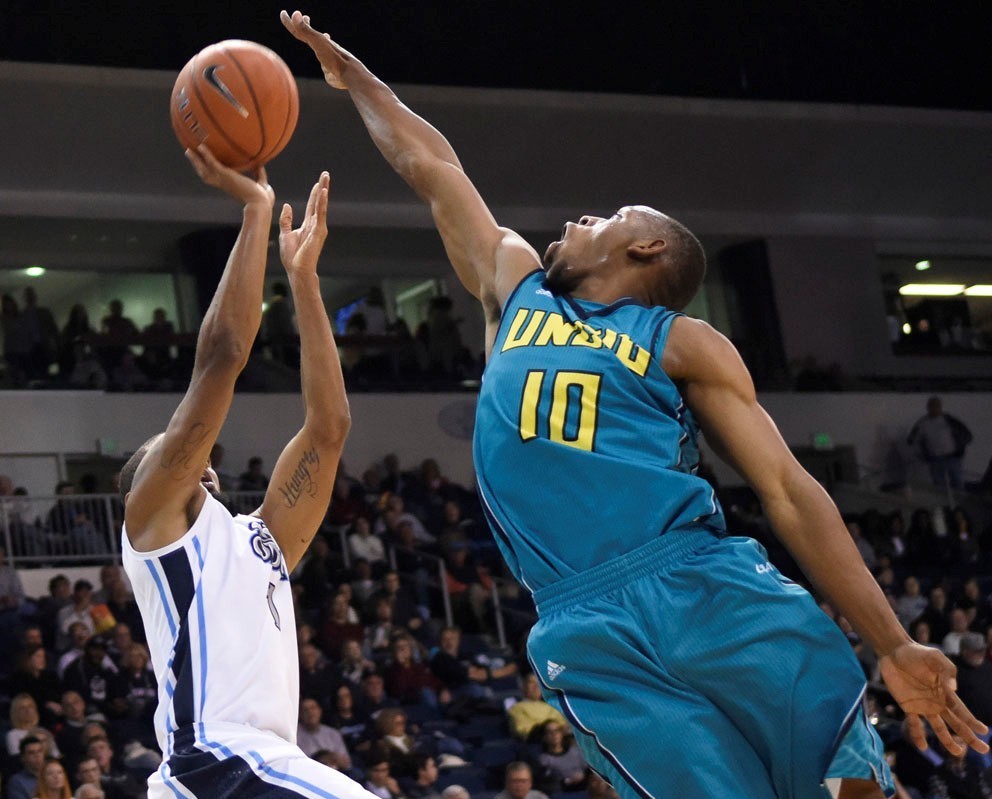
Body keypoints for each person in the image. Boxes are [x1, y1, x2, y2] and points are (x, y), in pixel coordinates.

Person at [282, 12, 989, 799]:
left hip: (703, 582)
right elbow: (434, 165)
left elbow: (788, 488)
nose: (579, 218)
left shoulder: (683, 342)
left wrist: (891, 642)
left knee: (846, 783)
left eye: (606, 216)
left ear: (647, 248)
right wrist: (359, 80)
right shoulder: (513, 289)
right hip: (584, 625)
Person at [119, 148, 358, 799]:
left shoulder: (262, 541)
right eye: (167, 449)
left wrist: (304, 280)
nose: (193, 454)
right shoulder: (153, 527)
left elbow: (329, 426)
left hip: (258, 767)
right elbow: (222, 356)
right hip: (213, 757)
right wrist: (255, 213)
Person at [906, 396, 973, 490]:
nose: (935, 408)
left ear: (941, 407)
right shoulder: (922, 423)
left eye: (937, 406)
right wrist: (921, 454)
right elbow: (911, 440)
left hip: (953, 458)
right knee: (939, 486)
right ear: (928, 407)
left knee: (957, 482)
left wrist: (961, 447)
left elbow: (966, 434)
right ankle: (943, 504)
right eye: (932, 406)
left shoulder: (949, 420)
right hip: (935, 460)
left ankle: (961, 503)